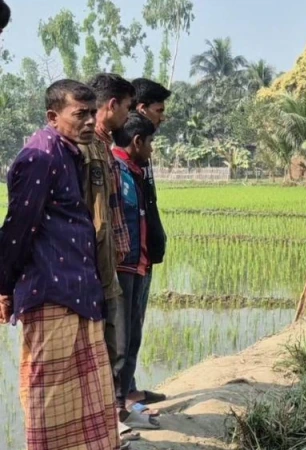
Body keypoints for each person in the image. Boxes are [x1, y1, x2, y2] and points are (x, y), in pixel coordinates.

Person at [0, 80, 120, 449]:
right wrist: (3, 287)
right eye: (79, 114)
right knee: (51, 402)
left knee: (87, 399)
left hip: (79, 291)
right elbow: (18, 229)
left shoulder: (70, 153)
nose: (89, 121)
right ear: (53, 117)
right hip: (52, 293)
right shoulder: (41, 157)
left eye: (91, 113)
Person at [81, 74, 142, 439]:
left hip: (111, 260)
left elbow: (113, 207)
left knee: (112, 341)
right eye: (128, 106)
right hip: (96, 264)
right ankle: (104, 423)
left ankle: (110, 418)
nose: (129, 114)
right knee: (103, 344)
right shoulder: (85, 149)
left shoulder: (102, 147)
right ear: (112, 105)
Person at [111, 112, 162, 431]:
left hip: (138, 262)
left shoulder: (136, 171)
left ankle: (125, 404)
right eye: (151, 144)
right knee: (119, 339)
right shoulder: (115, 170)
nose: (152, 151)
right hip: (122, 265)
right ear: (137, 141)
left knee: (132, 336)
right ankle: (116, 409)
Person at [126, 78, 170, 410]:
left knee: (135, 323)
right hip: (129, 257)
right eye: (159, 110)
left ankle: (130, 388)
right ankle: (124, 394)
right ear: (141, 110)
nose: (162, 116)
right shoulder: (126, 154)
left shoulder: (142, 154)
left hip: (144, 253)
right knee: (126, 326)